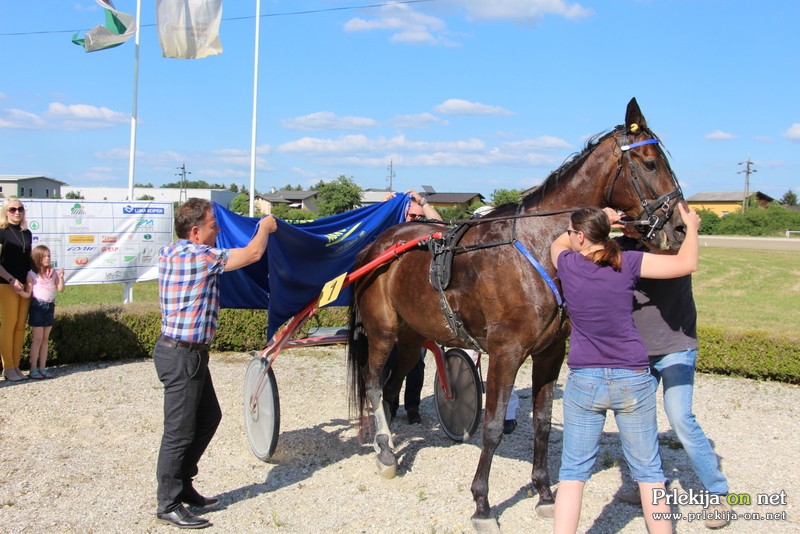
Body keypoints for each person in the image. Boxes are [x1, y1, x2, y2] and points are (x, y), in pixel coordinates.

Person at [549, 203, 701, 534]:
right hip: (632, 376)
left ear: (579, 236)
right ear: (605, 233)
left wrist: (603, 218)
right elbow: (687, 263)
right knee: (649, 471)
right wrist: (691, 227)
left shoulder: (570, 265)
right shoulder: (628, 261)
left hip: (585, 379)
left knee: (573, 471)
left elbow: (557, 244)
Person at [154, 198, 277, 529]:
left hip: (184, 353)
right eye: (213, 225)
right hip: (183, 355)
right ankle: (168, 503)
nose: (219, 229)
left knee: (209, 417)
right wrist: (264, 227)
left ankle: (184, 485)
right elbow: (252, 254)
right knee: (179, 432)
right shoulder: (198, 256)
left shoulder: (172, 252)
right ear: (195, 232)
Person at [614, 227, 731, 529]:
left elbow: (675, 256)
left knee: (680, 418)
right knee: (637, 422)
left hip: (677, 348)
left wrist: (687, 227)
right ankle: (651, 486)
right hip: (639, 351)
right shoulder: (620, 249)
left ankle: (717, 493)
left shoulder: (672, 247)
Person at [381, 190, 443, 425]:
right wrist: (383, 207)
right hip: (387, 307)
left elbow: (440, 224)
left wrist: (423, 202)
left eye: (418, 216)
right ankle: (389, 405)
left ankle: (413, 407)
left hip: (414, 309)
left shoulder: (423, 234)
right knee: (387, 359)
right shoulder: (390, 233)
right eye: (411, 216)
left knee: (416, 361)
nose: (415, 220)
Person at [17, 245, 65, 379]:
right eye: (44, 256)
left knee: (45, 339)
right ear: (37, 258)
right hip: (38, 306)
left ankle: (43, 368)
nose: (48, 258)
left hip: (50, 306)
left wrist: (60, 277)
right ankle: (33, 369)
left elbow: (60, 289)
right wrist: (19, 291)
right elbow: (28, 294)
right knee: (37, 339)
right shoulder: (31, 274)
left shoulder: (53, 272)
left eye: (49, 255)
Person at [0, 198, 33, 382]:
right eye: (12, 209)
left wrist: (29, 276)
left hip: (23, 286)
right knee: (9, 324)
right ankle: (8, 367)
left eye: (20, 209)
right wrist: (11, 279)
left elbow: (27, 259)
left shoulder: (26, 233)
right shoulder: (1, 232)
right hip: (5, 284)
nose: (17, 212)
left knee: (20, 326)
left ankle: (16, 365)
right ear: (6, 211)